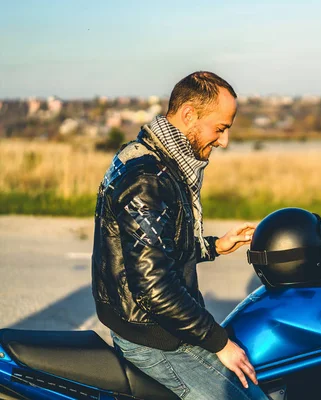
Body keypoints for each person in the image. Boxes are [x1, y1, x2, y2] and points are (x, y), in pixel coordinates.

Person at [91, 71, 268, 400]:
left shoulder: (154, 158)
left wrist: (215, 245)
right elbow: (154, 287)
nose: (224, 141)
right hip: (155, 335)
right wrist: (220, 343)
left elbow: (159, 245)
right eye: (221, 128)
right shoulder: (147, 178)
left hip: (155, 323)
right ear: (189, 115)